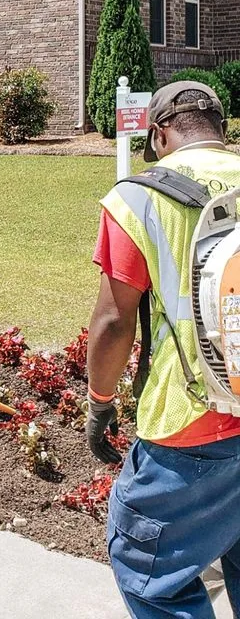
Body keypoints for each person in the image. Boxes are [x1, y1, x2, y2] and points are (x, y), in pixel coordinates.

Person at [86, 81, 240, 618]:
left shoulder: (138, 198)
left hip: (191, 420)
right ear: (221, 128)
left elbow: (113, 321)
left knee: (149, 575)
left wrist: (100, 402)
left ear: (158, 135)